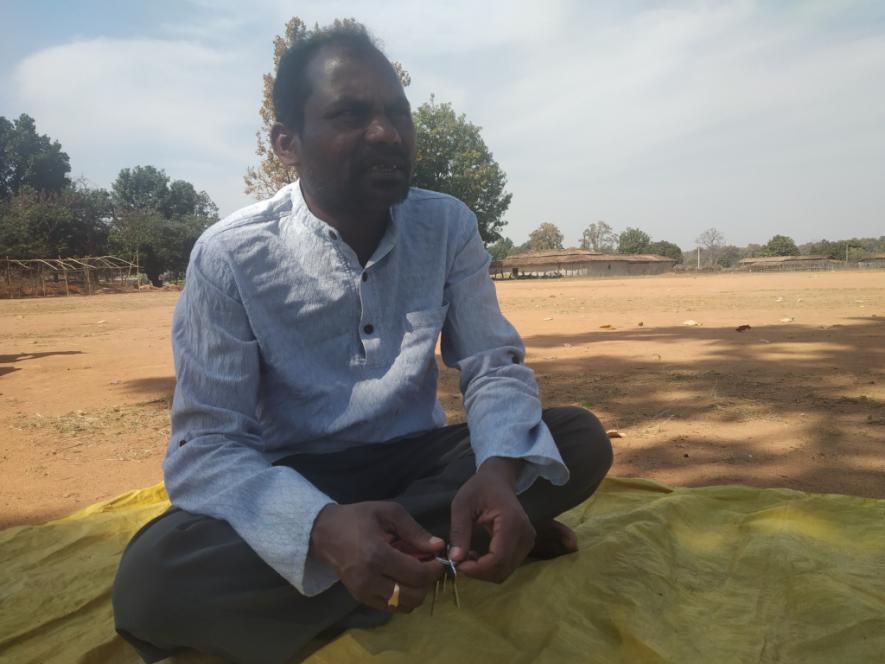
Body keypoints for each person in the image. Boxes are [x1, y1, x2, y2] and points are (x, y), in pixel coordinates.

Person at [113, 23, 613, 664]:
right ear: (286, 143)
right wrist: (320, 527)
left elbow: (490, 365)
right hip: (293, 476)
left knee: (577, 440)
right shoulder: (231, 255)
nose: (386, 133)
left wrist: (494, 472)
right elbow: (209, 447)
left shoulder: (448, 225)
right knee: (151, 582)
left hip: (417, 461)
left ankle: (385, 563)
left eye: (396, 111)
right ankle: (442, 551)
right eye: (350, 114)